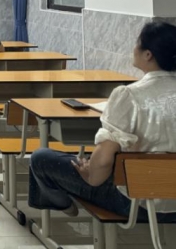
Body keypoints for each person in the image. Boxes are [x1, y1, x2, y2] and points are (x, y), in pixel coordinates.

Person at [28, 21, 176, 223]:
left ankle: (63, 204)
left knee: (41, 158)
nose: (134, 48)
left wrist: (90, 174)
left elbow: (103, 163)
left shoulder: (129, 95)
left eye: (137, 43)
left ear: (148, 54)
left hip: (139, 204)